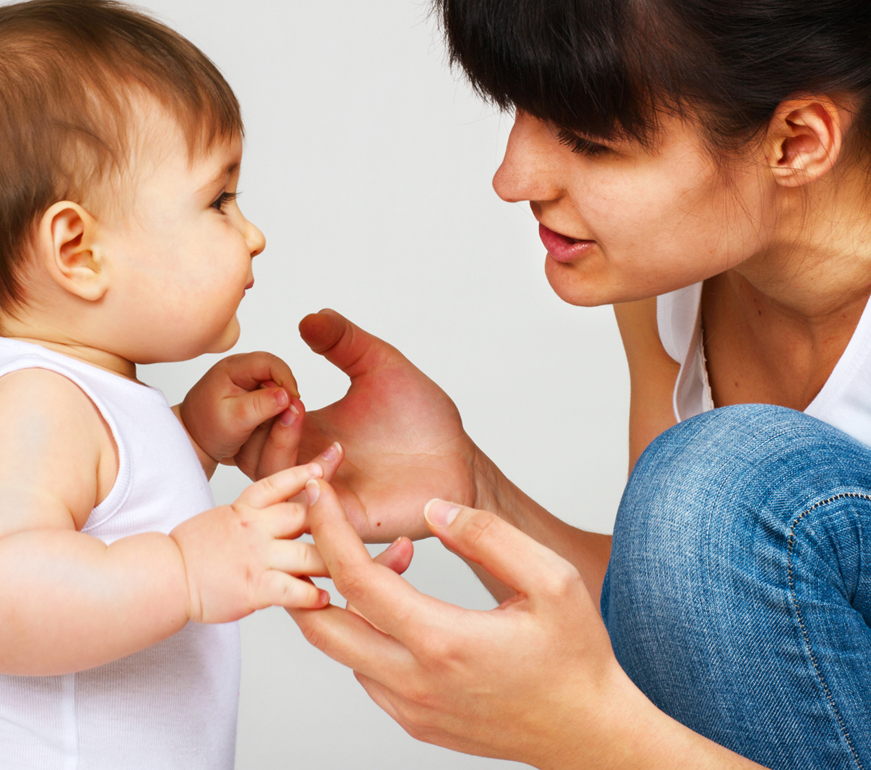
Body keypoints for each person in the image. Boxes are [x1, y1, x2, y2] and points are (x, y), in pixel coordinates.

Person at [286, 1, 871, 768]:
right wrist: (469, 493)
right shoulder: (673, 285)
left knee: (711, 481)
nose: (510, 177)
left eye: (591, 141)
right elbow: (686, 607)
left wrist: (592, 738)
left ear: (795, 142)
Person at [0, 1, 339, 767]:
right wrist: (186, 571)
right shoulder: (36, 401)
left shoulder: (75, 396)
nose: (252, 231)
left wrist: (189, 440)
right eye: (219, 200)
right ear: (78, 251)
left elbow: (103, 526)